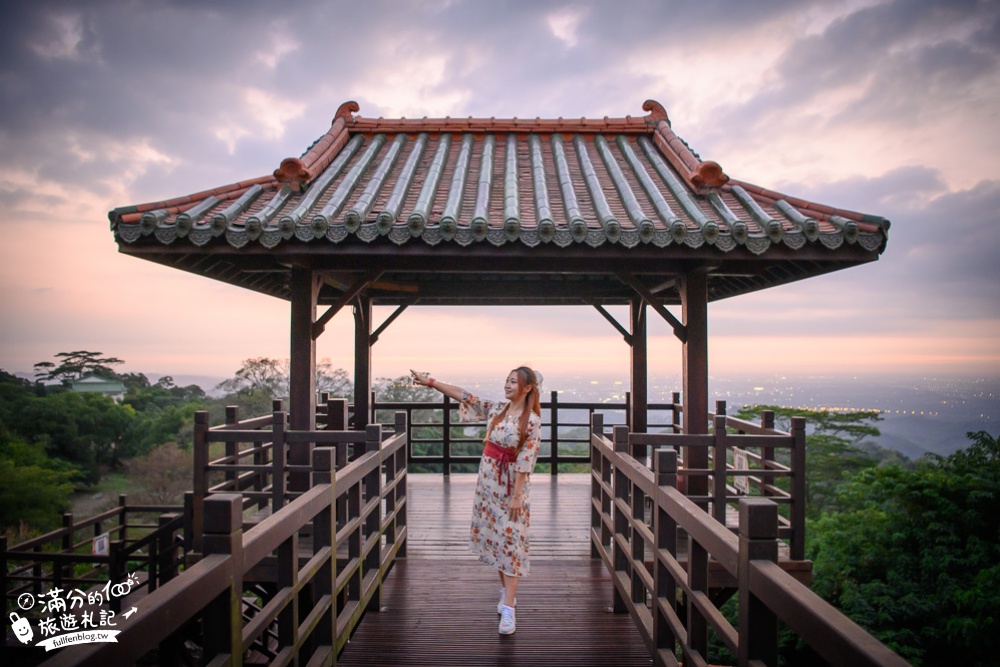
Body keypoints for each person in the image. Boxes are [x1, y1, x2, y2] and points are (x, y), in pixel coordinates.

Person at [410, 367, 542, 636]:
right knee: (496, 539)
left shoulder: (532, 421)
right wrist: (432, 382)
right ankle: (507, 592)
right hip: (488, 483)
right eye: (506, 380)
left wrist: (517, 496)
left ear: (527, 388)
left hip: (512, 487)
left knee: (511, 542)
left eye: (513, 381)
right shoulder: (497, 409)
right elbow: (464, 395)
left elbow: (526, 460)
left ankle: (509, 609)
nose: (507, 384)